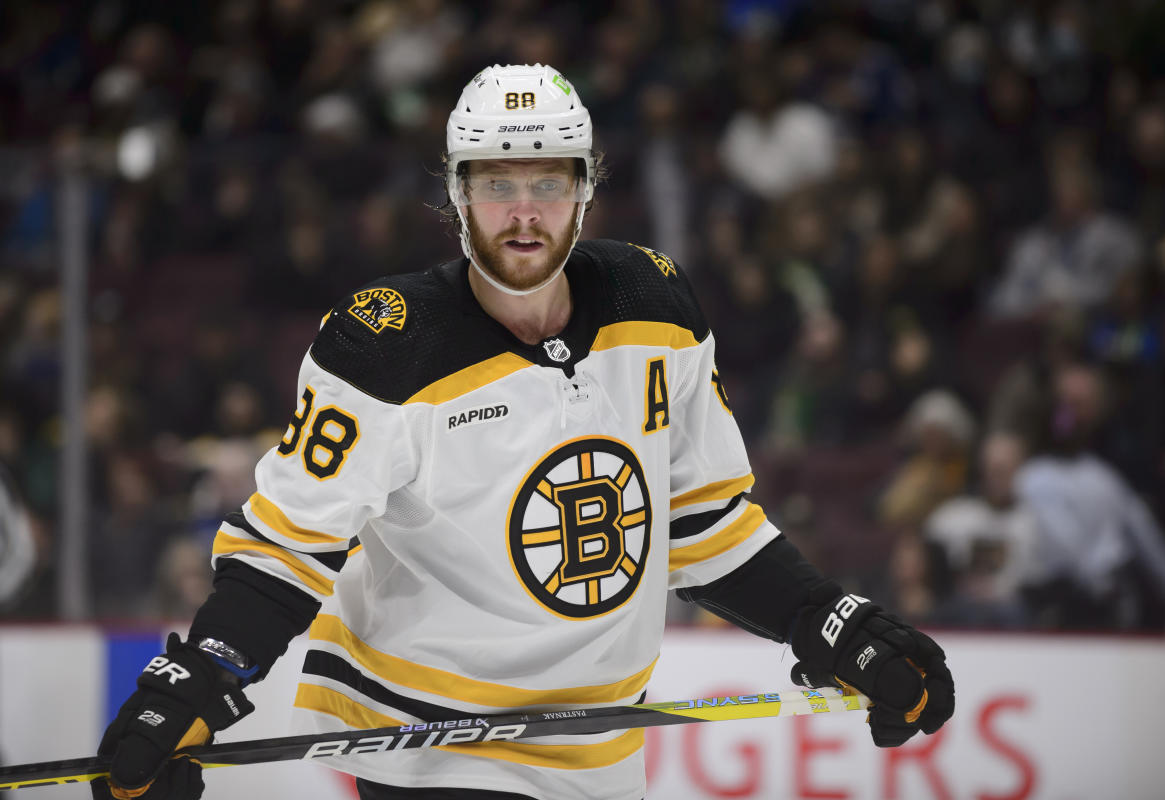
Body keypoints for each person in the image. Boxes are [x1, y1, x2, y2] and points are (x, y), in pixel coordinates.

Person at [93, 64, 954, 800]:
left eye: (548, 182)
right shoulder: (386, 344)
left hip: (603, 742)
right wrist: (199, 678)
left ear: (586, 187)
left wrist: (825, 618)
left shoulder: (655, 306)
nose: (524, 214)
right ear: (455, 192)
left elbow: (700, 522)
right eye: (496, 183)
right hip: (429, 738)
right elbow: (288, 549)